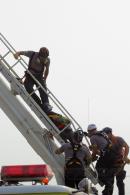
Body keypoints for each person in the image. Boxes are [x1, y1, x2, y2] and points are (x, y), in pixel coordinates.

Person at [13, 47, 52, 113]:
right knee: (28, 87)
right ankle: (38, 103)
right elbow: (20, 52)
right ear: (40, 55)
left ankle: (46, 104)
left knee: (43, 88)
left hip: (39, 76)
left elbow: (47, 70)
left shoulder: (47, 60)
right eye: (43, 58)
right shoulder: (32, 54)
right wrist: (16, 55)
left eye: (45, 58)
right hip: (30, 75)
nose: (44, 59)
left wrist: (44, 79)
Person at [102, 127, 130, 195]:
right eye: (104, 135)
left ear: (110, 133)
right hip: (111, 165)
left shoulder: (118, 139)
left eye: (106, 134)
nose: (105, 136)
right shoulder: (106, 141)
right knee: (110, 182)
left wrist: (125, 157)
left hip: (119, 163)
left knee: (119, 181)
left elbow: (126, 146)